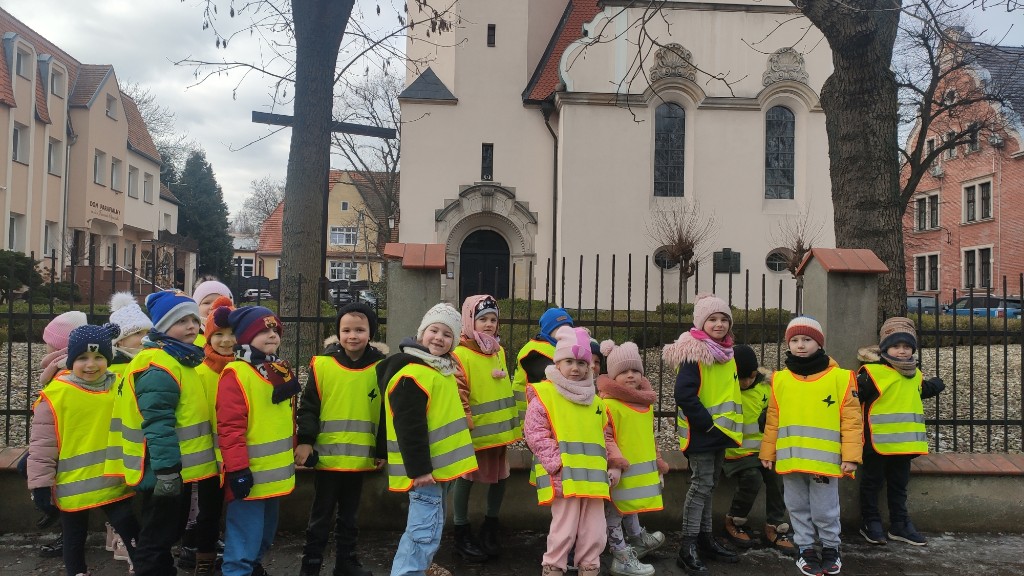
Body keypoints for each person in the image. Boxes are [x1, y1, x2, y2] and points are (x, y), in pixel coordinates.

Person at [105, 290, 220, 576]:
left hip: (170, 469)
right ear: (163, 326)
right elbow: (158, 423)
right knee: (157, 539)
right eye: (182, 321)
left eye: (194, 319)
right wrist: (168, 471)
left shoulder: (178, 359)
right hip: (162, 470)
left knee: (165, 536)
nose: (192, 326)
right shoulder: (159, 366)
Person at [29, 323, 140, 576]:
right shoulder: (56, 396)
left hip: (113, 478)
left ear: (109, 359)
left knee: (129, 526)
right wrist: (41, 485)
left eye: (99, 357)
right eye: (83, 358)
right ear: (70, 360)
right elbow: (42, 446)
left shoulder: (120, 386)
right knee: (74, 537)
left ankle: (144, 565)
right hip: (72, 485)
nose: (91, 364)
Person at [375, 303, 478, 576]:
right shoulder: (414, 374)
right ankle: (408, 572)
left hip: (439, 472)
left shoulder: (438, 370)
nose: (439, 338)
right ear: (421, 333)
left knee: (429, 529)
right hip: (426, 473)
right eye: (434, 330)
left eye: (447, 334)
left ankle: (417, 569)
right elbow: (410, 427)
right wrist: (419, 470)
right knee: (422, 532)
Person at [759, 317, 862, 576]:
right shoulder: (780, 380)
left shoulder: (840, 378)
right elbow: (773, 419)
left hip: (824, 461)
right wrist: (768, 452)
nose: (800, 345)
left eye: (806, 340)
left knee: (826, 509)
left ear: (819, 343)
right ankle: (804, 548)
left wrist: (851, 456)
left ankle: (830, 548)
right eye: (794, 340)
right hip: (791, 458)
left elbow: (852, 421)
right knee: (796, 506)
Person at [525, 326, 626, 576]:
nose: (576, 368)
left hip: (593, 479)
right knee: (564, 527)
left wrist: (613, 464)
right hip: (565, 477)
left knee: (595, 528)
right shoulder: (546, 394)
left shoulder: (596, 401)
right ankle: (553, 566)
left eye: (582, 363)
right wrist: (555, 463)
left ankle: (589, 565)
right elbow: (535, 432)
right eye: (569, 361)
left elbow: (605, 436)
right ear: (557, 363)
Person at [296, 302, 387, 576]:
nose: (352, 335)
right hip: (327, 458)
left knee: (350, 515)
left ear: (371, 332)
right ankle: (310, 564)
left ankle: (346, 563)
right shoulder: (323, 365)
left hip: (360, 458)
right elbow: (309, 406)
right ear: (338, 332)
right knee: (321, 515)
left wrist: (381, 449)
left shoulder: (381, 368)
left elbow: (385, 413)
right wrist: (305, 440)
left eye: (360, 329)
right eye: (346, 330)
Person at [662, 293, 744, 575]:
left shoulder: (726, 353)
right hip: (703, 433)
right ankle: (687, 547)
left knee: (709, 488)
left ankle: (705, 540)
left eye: (724, 319)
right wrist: (707, 424)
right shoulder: (695, 353)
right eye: (713, 319)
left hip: (719, 433)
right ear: (701, 323)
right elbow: (684, 394)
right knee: (700, 487)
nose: (719, 324)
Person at [217, 306, 300, 576]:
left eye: (275, 329)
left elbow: (285, 417)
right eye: (263, 330)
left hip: (275, 475)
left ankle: (252, 569)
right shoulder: (237, 374)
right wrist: (238, 470)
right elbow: (230, 427)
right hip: (249, 476)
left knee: (264, 537)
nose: (271, 334)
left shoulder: (279, 370)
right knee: (243, 542)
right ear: (244, 337)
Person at [857, 317, 944, 547]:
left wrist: (937, 384)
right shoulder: (872, 374)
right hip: (876, 445)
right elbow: (853, 398)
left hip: (904, 446)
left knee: (898, 486)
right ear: (885, 348)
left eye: (907, 346)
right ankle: (870, 522)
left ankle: (900, 524)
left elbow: (920, 390)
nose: (902, 351)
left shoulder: (915, 374)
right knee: (871, 484)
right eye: (896, 346)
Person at [450, 295, 521, 561]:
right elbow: (459, 390)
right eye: (483, 319)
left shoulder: (498, 350)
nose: (489, 324)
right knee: (465, 479)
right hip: (474, 432)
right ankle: (461, 529)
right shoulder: (460, 353)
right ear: (470, 321)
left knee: (501, 477)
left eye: (493, 319)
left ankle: (491, 525)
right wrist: (466, 418)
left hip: (497, 431)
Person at [597, 339, 669, 576]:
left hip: (634, 475)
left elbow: (649, 437)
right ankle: (620, 554)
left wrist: (658, 464)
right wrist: (614, 464)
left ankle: (637, 539)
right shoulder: (609, 404)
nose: (631, 375)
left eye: (635, 370)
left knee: (630, 506)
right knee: (614, 513)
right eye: (624, 371)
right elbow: (606, 437)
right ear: (613, 375)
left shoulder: (644, 405)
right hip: (617, 474)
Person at [721, 345, 796, 557]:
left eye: (749, 377)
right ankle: (734, 521)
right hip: (734, 454)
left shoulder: (766, 388)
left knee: (775, 476)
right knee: (752, 478)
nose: (745, 382)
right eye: (740, 377)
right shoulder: (726, 390)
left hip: (763, 452)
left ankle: (775, 525)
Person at [179, 295, 236, 575]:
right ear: (208, 337)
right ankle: (204, 560)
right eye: (219, 335)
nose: (226, 341)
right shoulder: (198, 373)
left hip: (236, 454)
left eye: (232, 334)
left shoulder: (244, 370)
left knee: (236, 512)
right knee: (209, 512)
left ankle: (239, 558)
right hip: (209, 459)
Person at [32, 310, 89, 558]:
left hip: (69, 442)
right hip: (66, 438)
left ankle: (65, 536)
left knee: (62, 492)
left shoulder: (62, 370)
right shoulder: (62, 367)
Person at [512, 307, 574, 429]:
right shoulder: (533, 351)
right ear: (548, 330)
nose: (565, 332)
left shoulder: (561, 348)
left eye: (569, 328)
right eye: (560, 328)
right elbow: (556, 376)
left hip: (547, 410)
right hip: (531, 413)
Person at [191, 278, 234, 347]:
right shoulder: (190, 336)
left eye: (220, 302)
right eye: (207, 303)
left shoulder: (239, 333)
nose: (213, 306)